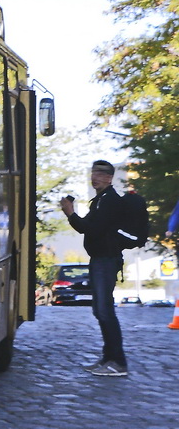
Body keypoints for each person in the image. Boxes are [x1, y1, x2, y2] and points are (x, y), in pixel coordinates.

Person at [60, 159, 129, 376]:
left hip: (106, 260)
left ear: (109, 178)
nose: (94, 177)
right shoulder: (99, 200)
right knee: (100, 310)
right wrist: (71, 214)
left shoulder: (109, 201)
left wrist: (71, 213)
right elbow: (85, 228)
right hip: (100, 259)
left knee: (105, 311)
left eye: (99, 174)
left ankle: (118, 362)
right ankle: (108, 358)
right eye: (93, 173)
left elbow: (93, 230)